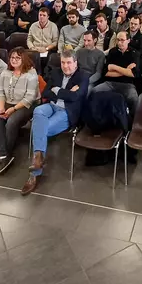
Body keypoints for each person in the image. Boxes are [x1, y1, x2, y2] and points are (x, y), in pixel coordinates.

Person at [22, 49, 89, 195]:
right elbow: (46, 93)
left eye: (69, 63)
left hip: (67, 112)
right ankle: (38, 160)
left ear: (75, 63)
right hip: (51, 106)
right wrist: (67, 92)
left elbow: (76, 97)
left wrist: (57, 89)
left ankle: (35, 173)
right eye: (63, 63)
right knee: (38, 111)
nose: (65, 66)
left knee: (40, 128)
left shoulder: (83, 76)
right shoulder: (56, 72)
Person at [0, 47, 39, 172]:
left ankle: (7, 151)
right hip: (7, 103)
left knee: (12, 122)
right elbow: (0, 91)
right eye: (12, 57)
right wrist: (2, 108)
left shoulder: (31, 74)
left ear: (24, 59)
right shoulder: (5, 73)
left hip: (26, 105)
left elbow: (29, 98)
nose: (14, 60)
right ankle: (3, 156)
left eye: (18, 58)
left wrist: (13, 109)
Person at [92, 31, 139, 116]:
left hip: (127, 84)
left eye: (122, 40)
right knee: (94, 91)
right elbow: (106, 73)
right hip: (110, 83)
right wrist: (125, 71)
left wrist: (114, 67)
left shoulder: (134, 53)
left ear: (128, 40)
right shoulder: (112, 52)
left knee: (134, 98)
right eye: (118, 40)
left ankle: (131, 123)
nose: (119, 42)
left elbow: (133, 74)